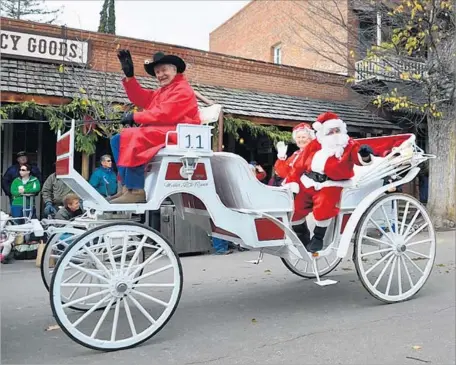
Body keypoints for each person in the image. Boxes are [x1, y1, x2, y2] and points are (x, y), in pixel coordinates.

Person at [109, 50, 201, 204]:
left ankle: (136, 190)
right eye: (157, 72)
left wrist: (134, 116)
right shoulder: (162, 91)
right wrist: (130, 78)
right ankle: (125, 188)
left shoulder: (182, 89)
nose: (160, 75)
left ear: (174, 70)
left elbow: (165, 114)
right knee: (117, 139)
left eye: (164, 70)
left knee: (135, 135)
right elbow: (141, 98)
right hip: (167, 130)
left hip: (179, 132)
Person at [290, 112, 374, 253]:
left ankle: (318, 237)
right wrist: (293, 182)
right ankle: (302, 236)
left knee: (324, 205)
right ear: (323, 133)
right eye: (331, 131)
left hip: (332, 184)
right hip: (308, 181)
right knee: (295, 207)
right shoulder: (316, 144)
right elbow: (299, 164)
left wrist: (364, 155)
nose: (335, 134)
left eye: (337, 130)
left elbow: (358, 159)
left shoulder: (349, 145)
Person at [274, 123, 315, 238]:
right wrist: (281, 159)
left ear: (310, 138)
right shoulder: (296, 154)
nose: (301, 140)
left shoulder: (313, 153)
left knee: (295, 212)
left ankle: (304, 240)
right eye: (298, 137)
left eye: (303, 137)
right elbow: (283, 172)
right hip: (291, 190)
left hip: (305, 190)